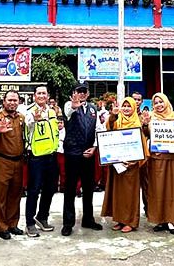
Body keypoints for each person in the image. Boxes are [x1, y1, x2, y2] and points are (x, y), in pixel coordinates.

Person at [61, 82, 103, 236]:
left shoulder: (93, 109)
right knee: (70, 189)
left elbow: (99, 130)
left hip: (88, 154)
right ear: (74, 93)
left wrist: (95, 147)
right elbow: (69, 111)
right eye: (79, 91)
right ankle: (68, 223)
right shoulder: (68, 106)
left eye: (84, 91)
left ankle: (88, 219)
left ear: (88, 93)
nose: (82, 94)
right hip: (72, 153)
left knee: (89, 188)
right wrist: (74, 105)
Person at [141, 93, 174, 235]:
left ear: (166, 102)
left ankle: (171, 220)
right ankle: (159, 220)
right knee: (157, 189)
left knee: (172, 189)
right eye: (156, 103)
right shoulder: (151, 117)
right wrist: (146, 123)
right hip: (156, 159)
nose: (158, 105)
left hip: (172, 159)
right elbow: (146, 133)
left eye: (161, 102)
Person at [102, 97, 147, 233]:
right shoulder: (118, 121)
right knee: (118, 194)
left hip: (131, 165)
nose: (126, 109)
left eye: (129, 106)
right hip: (117, 164)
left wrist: (136, 160)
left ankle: (131, 222)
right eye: (124, 106)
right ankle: (120, 220)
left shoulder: (136, 123)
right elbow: (109, 128)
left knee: (130, 194)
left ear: (133, 108)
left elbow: (143, 144)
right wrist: (113, 115)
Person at [23, 86, 60, 238]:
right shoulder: (28, 110)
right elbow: (27, 124)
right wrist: (34, 119)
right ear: (34, 95)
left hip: (51, 155)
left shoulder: (52, 111)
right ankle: (30, 223)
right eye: (38, 93)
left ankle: (42, 217)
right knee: (34, 190)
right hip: (36, 156)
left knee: (50, 189)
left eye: (44, 93)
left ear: (47, 95)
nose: (41, 95)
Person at [0, 90, 26, 240]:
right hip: (2, 161)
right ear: (3, 102)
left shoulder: (21, 118)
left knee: (15, 195)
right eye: (9, 100)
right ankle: (2, 226)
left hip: (18, 161)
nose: (12, 103)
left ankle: (13, 223)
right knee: (0, 196)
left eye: (15, 100)